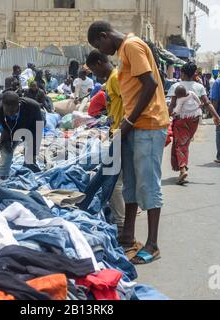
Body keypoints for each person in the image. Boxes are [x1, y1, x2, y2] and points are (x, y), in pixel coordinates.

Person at [88, 21, 170, 264]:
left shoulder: (133, 46)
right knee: (131, 185)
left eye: (98, 45)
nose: (101, 51)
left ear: (104, 36)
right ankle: (128, 237)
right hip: (134, 126)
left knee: (148, 184)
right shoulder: (124, 50)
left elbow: (151, 85)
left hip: (148, 125)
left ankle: (153, 244)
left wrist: (129, 122)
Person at [86, 49, 126, 234]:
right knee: (106, 176)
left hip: (121, 134)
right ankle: (85, 203)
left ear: (99, 63)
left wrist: (122, 130)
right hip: (116, 133)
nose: (95, 75)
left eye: (94, 71)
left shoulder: (116, 78)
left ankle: (121, 224)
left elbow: (128, 104)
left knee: (113, 181)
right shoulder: (110, 80)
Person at [167, 62, 220, 181]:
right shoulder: (199, 87)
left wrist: (165, 119)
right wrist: (218, 120)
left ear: (182, 73)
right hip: (194, 120)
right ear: (194, 74)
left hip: (180, 119)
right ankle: (183, 166)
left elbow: (172, 105)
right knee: (185, 143)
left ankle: (182, 169)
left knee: (180, 144)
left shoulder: (176, 86)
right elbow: (207, 103)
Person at [0, 91, 44, 179]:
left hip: (30, 127)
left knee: (30, 160)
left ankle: (30, 175)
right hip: (9, 130)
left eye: (13, 111)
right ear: (3, 105)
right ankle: (1, 180)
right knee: (6, 154)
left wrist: (33, 152)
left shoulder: (33, 107)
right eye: (7, 111)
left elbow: (37, 130)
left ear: (18, 104)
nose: (10, 113)